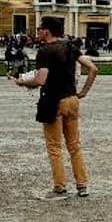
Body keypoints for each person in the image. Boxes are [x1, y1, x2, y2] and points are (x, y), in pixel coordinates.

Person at [15, 15, 98, 198]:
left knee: (54, 147)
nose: (37, 31)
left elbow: (40, 80)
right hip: (72, 99)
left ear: (47, 30)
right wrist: (83, 92)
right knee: (74, 146)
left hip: (53, 101)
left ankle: (60, 186)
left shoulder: (45, 51)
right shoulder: (70, 46)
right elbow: (93, 68)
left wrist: (22, 82)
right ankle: (82, 185)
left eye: (40, 28)